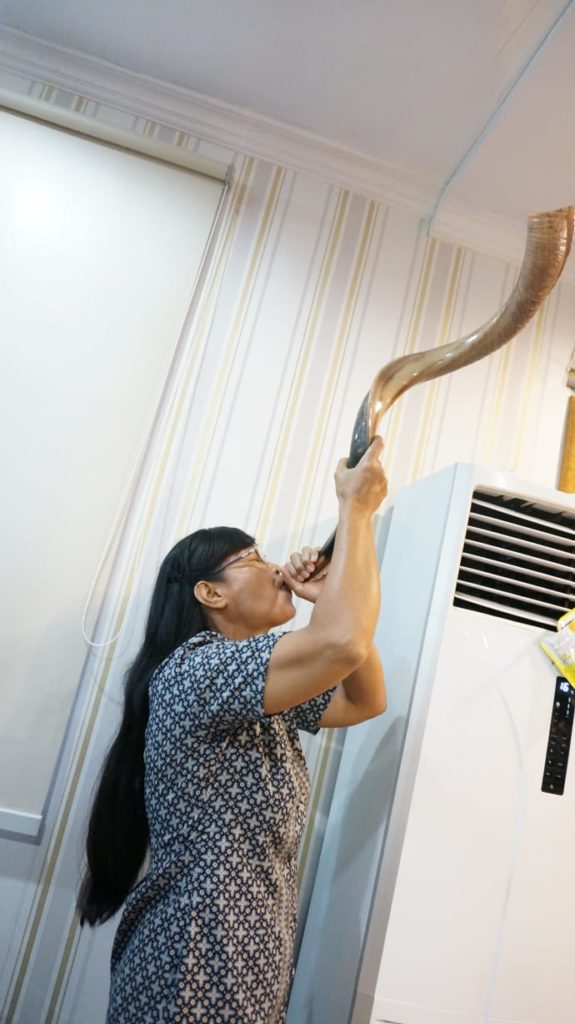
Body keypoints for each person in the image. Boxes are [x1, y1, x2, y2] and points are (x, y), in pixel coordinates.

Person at [77, 436, 388, 1023]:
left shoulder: (254, 689)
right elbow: (342, 643)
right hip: (194, 962)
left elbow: (364, 697)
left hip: (240, 957)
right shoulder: (197, 670)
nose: (276, 568)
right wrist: (356, 511)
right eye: (252, 558)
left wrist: (327, 597)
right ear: (210, 592)